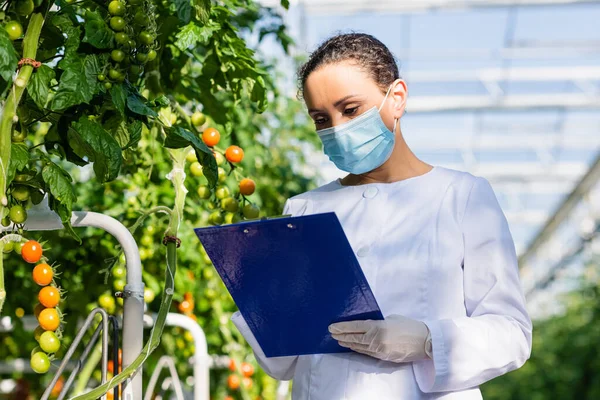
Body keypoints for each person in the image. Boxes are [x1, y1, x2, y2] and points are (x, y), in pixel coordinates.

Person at [231, 33, 532, 399]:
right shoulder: (304, 209)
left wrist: (427, 340)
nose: (337, 129)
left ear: (397, 98)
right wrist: (259, 295)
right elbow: (283, 364)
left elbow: (512, 333)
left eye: (351, 109)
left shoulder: (462, 196)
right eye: (321, 118)